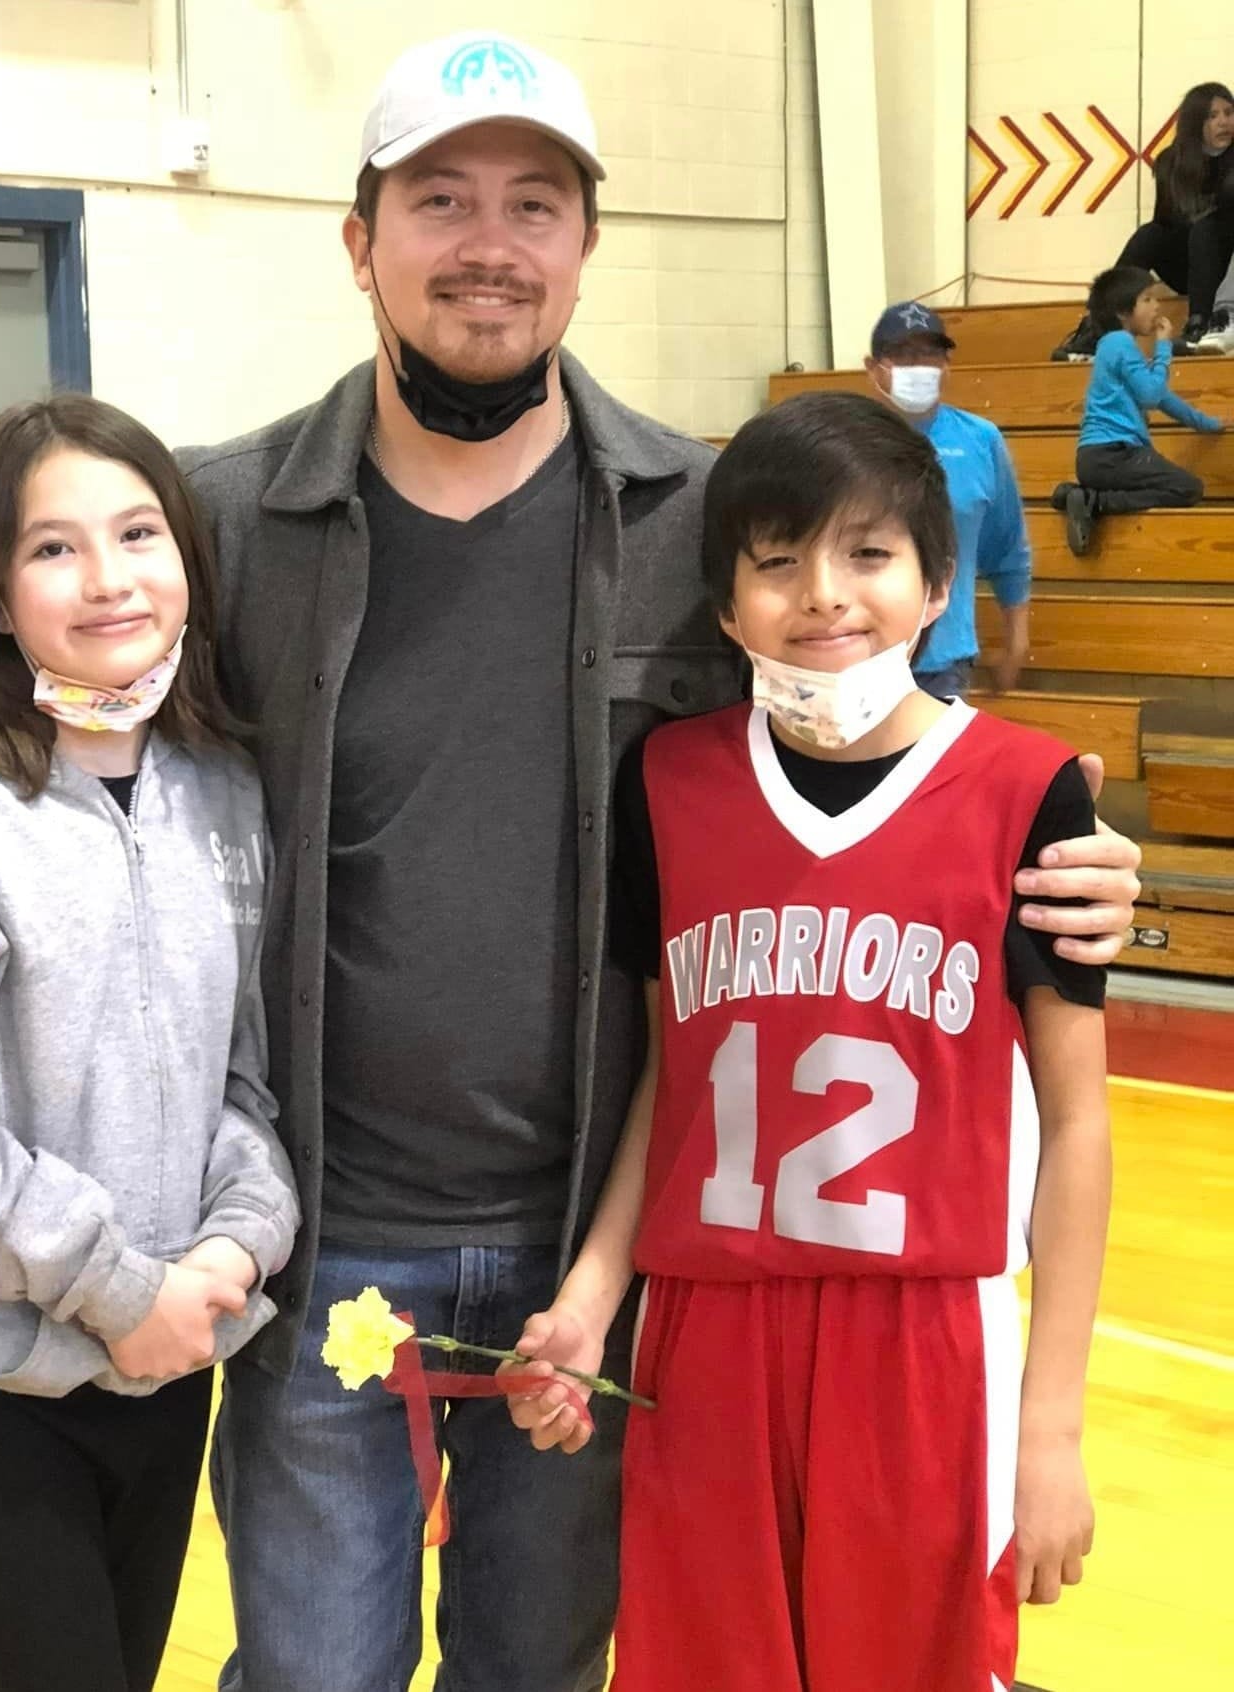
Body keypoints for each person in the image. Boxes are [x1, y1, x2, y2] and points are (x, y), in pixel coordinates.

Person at [0, 34, 1144, 1692]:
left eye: (533, 201)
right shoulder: (223, 518)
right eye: (439, 198)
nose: (488, 240)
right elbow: (41, 708)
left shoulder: (692, 520)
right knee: (311, 1673)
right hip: (313, 1246)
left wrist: (1051, 837)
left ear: (582, 244)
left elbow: (849, 730)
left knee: (535, 1671)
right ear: (360, 241)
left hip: (596, 1252)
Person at [506, 391, 1111, 1692]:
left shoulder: (1032, 791)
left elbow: (1079, 1122)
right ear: (727, 605)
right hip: (706, 1338)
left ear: (937, 581)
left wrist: (1051, 1430)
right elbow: (676, 1077)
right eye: (778, 562)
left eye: (868, 554)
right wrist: (595, 1295)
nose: (824, 595)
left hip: (924, 1349)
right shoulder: (668, 781)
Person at [0, 393, 299, 1692]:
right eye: (52, 548)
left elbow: (241, 1084)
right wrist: (117, 1290)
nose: (107, 580)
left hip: (169, 1358)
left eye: (138, 534)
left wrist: (231, 1249)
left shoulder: (227, 793)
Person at [863, 300, 1031, 696]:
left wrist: (1016, 640)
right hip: (857, 657)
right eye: (903, 354)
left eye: (930, 354)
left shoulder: (981, 440)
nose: (918, 365)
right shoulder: (844, 440)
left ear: (947, 366)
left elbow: (1008, 549)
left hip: (944, 663)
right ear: (874, 368)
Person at [1051, 265, 1224, 556]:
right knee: (1187, 488)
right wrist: (1164, 348)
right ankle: (1095, 502)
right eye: (1147, 299)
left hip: (1096, 458)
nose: (1157, 306)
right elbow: (1152, 394)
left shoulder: (1114, 348)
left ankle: (1078, 496)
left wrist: (1206, 423)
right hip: (1116, 454)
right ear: (1122, 313)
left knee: (1181, 485)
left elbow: (1163, 398)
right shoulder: (1120, 343)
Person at [1053, 82, 1234, 360]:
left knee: (1206, 228)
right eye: (1212, 116)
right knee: (1149, 234)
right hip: (1191, 264)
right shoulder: (1172, 163)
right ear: (1195, 122)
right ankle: (1096, 327)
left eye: (1228, 113)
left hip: (1226, 266)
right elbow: (1167, 222)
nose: (1223, 122)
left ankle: (1199, 324)